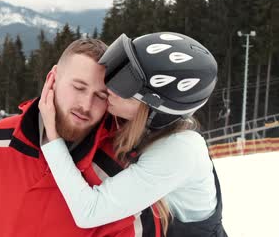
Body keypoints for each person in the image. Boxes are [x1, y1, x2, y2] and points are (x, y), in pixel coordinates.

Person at [0, 38, 163, 237]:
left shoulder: (121, 174)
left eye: (100, 96)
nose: (86, 105)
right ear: (52, 78)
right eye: (78, 87)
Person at [40, 32, 227, 236]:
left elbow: (89, 211)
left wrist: (51, 137)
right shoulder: (152, 128)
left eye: (124, 88)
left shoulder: (179, 151)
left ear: (152, 110)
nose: (109, 89)